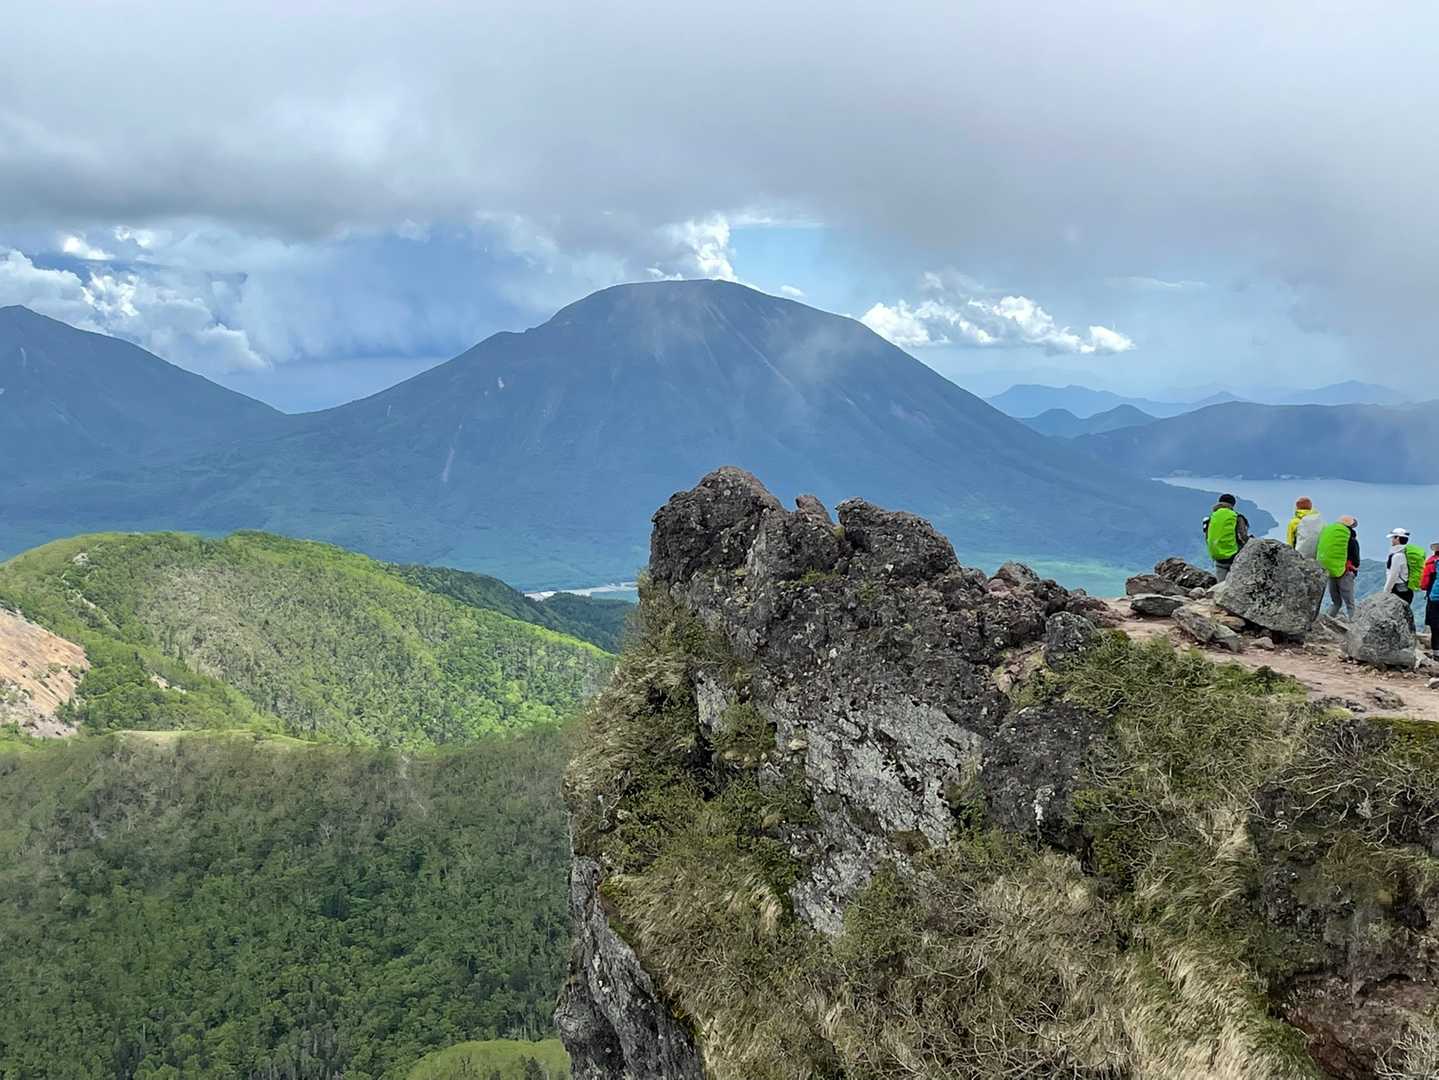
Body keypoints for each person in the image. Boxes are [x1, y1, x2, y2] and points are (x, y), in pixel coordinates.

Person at [1316, 516, 1360, 619]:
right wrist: (1354, 568)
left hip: (1331, 571)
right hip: (1346, 572)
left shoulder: (1331, 536)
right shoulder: (1351, 540)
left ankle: (1328, 620)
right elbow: (1356, 559)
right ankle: (1352, 623)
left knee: (1336, 602)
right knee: (1350, 604)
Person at [1203, 493, 1250, 581]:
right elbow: (1243, 536)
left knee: (1221, 584)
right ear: (1233, 504)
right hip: (1233, 555)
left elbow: (1207, 537)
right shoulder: (1235, 516)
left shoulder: (1211, 517)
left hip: (1217, 556)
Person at [1384, 529, 1418, 621]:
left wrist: (1386, 591)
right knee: (1403, 617)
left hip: (1399, 591)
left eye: (1392, 538)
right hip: (1406, 589)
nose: (1391, 540)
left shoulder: (1398, 556)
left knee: (1397, 618)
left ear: (1397, 538)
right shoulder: (1405, 553)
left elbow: (1393, 575)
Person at [1425, 543, 1439, 658]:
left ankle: (1436, 652)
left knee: (1435, 626)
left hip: (1434, 597)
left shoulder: (1431, 563)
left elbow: (1424, 583)